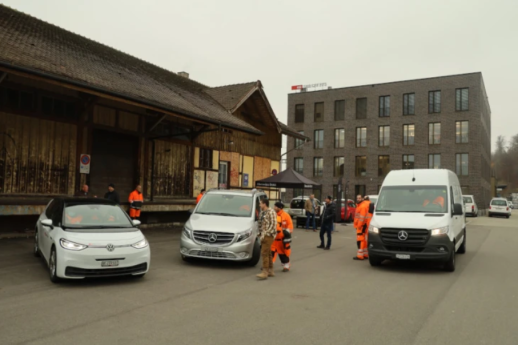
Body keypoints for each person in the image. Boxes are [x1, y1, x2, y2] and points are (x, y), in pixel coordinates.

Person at [256, 198, 277, 280]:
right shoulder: (262, 212)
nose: (259, 205)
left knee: (264, 253)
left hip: (269, 235)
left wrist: (267, 233)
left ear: (265, 204)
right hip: (263, 235)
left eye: (260, 203)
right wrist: (260, 234)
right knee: (268, 253)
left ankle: (265, 272)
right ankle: (271, 271)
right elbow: (260, 224)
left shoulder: (271, 212)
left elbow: (273, 224)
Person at [271, 201, 294, 272]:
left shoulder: (286, 216)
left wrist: (286, 232)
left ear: (280, 208)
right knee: (271, 252)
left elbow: (290, 226)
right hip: (274, 239)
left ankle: (286, 266)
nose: (274, 208)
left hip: (282, 239)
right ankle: (268, 266)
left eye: (275, 206)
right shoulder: (273, 215)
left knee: (283, 253)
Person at [353, 195, 371, 261]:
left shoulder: (362, 206)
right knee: (363, 240)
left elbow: (361, 218)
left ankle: (360, 256)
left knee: (360, 240)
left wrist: (359, 226)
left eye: (359, 198)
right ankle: (365, 254)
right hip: (362, 225)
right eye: (357, 198)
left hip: (361, 226)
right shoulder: (360, 205)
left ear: (362, 199)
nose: (358, 199)